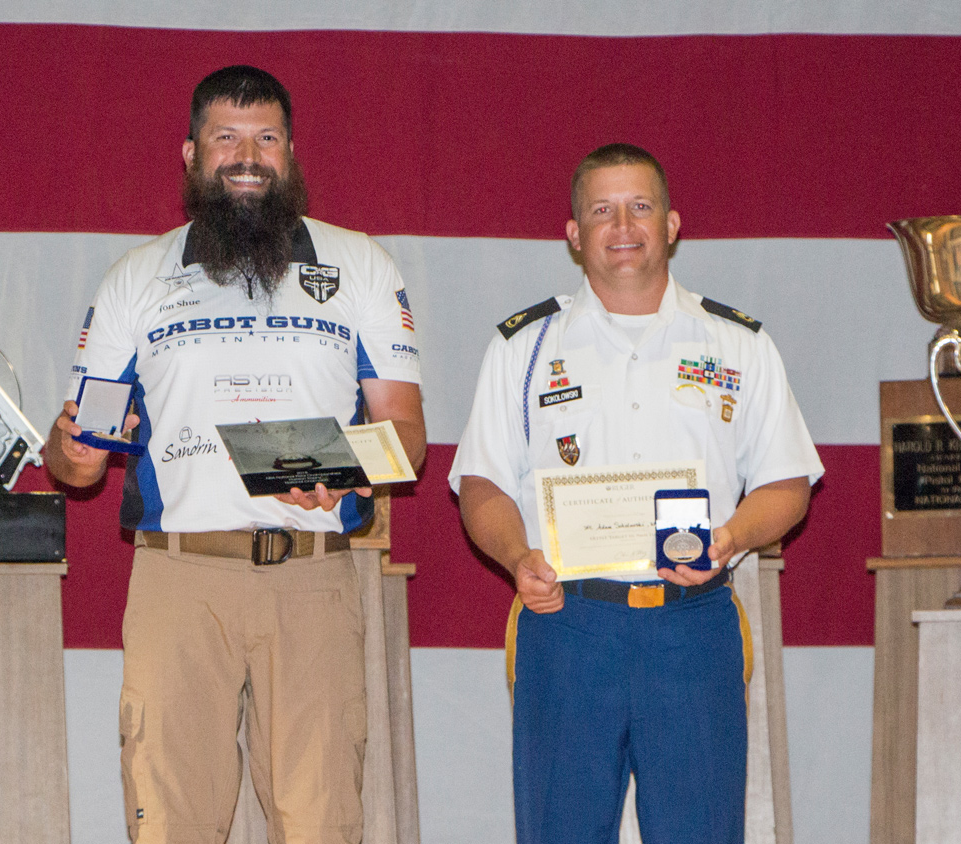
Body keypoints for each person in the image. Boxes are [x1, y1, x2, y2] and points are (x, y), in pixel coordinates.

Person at [44, 65, 426, 844]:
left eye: (266, 138)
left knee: (322, 821)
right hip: (177, 579)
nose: (246, 155)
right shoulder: (135, 279)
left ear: (290, 152)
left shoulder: (361, 267)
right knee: (172, 821)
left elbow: (406, 437)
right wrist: (70, 449)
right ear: (190, 153)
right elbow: (82, 455)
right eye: (226, 138)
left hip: (313, 578)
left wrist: (347, 471)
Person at [450, 143, 823, 843]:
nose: (623, 226)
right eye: (602, 210)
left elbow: (787, 482)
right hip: (567, 623)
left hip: (692, 626)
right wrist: (514, 555)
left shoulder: (737, 343)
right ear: (573, 234)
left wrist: (734, 537)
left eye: (640, 207)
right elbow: (481, 484)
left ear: (673, 224)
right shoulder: (524, 347)